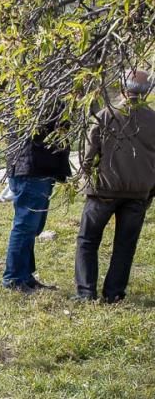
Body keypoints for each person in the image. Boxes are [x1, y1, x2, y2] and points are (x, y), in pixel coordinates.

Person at [74, 70, 155, 303]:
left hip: (104, 191)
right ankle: (114, 295)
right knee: (125, 246)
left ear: (122, 89)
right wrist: (149, 192)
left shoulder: (106, 116)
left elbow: (88, 158)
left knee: (87, 241)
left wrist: (87, 179)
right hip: (138, 194)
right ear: (147, 91)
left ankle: (86, 293)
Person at [2, 109, 72, 293]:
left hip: (37, 169)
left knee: (32, 227)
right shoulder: (37, 97)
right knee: (25, 226)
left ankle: (24, 276)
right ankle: (14, 279)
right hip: (32, 168)